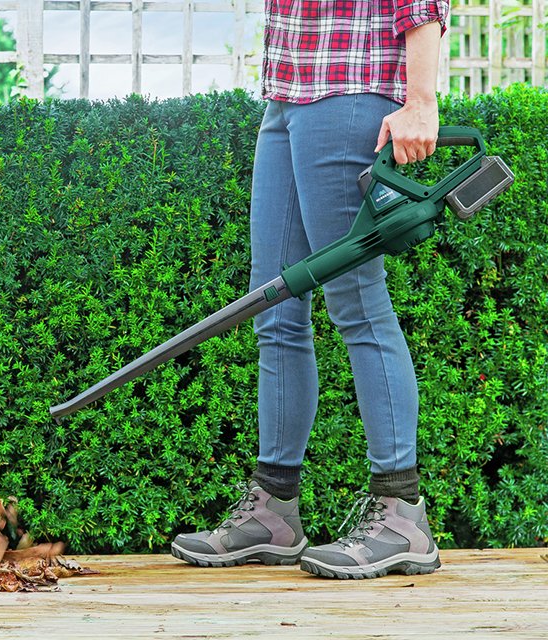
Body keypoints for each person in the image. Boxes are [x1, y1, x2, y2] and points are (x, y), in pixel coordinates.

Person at [171, 0, 451, 579]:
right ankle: (274, 511)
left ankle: (402, 513)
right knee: (274, 307)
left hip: (351, 92)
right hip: (285, 95)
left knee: (356, 303)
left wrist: (421, 100)